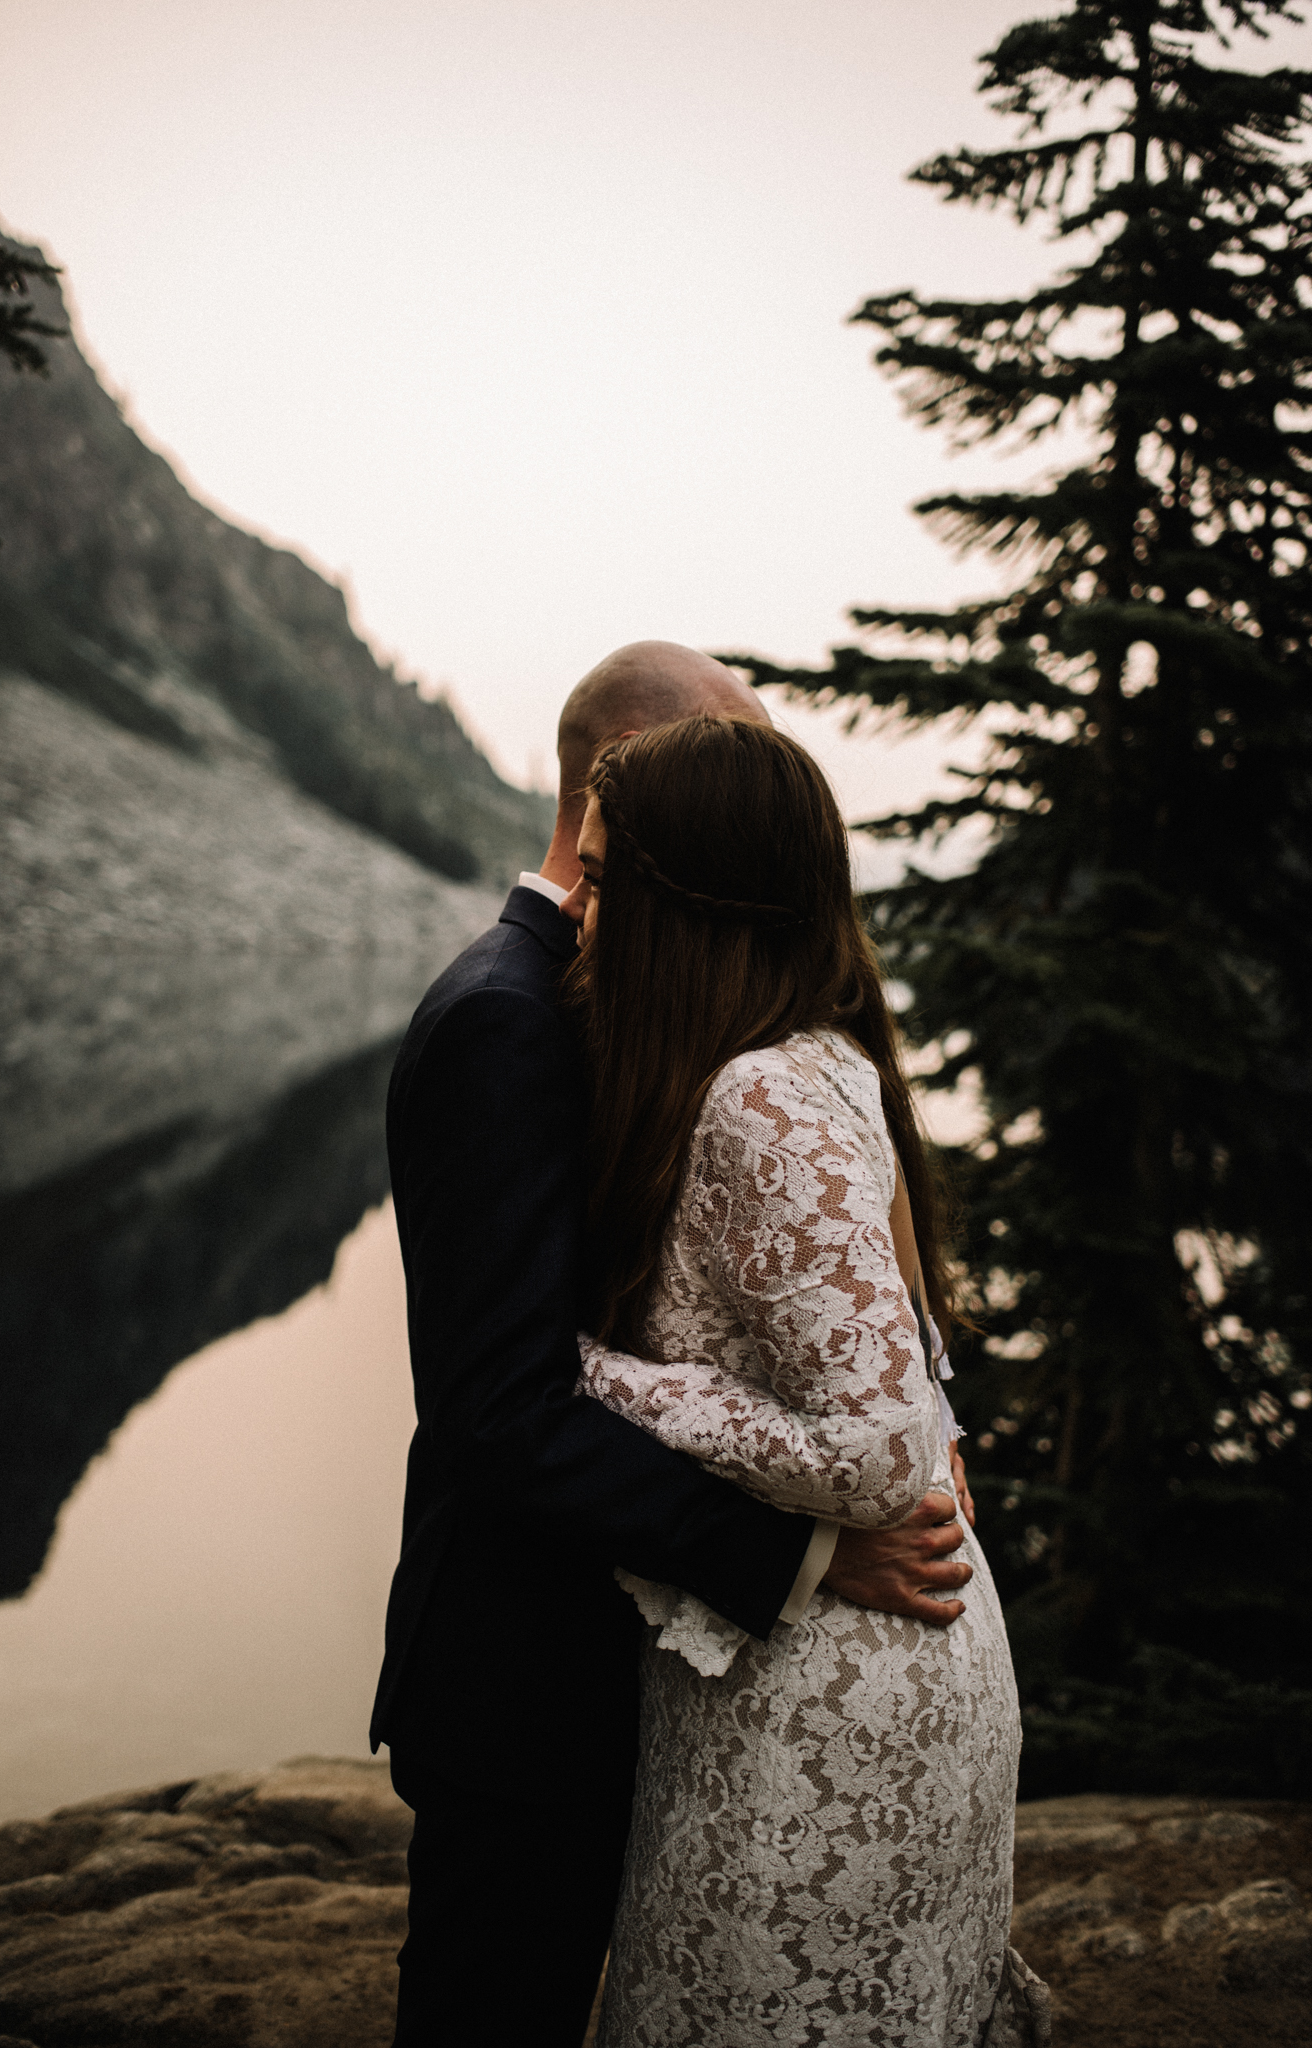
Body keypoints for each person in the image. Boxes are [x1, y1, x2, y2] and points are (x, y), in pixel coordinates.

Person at [371, 643, 977, 2048]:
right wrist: (806, 1556)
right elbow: (502, 1409)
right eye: (720, 773)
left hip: (647, 1651)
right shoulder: (506, 1022)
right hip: (525, 1674)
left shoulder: (632, 1008)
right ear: (618, 793)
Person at [561, 714, 1045, 2046]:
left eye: (601, 880)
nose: (573, 909)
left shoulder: (755, 1103)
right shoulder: (809, 1056)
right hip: (799, 1662)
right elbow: (899, 1357)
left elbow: (885, 1448)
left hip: (830, 1708)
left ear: (680, 909)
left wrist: (604, 1378)